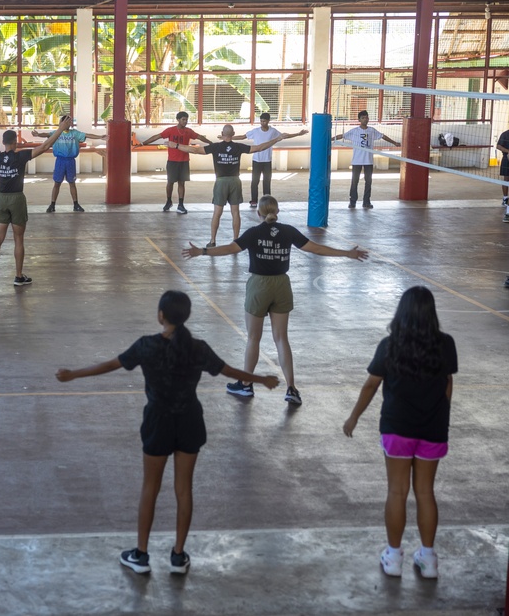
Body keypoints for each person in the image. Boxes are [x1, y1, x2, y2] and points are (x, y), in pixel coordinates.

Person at [55, 290, 279, 575]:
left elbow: (110, 365)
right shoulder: (198, 348)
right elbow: (229, 370)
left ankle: (141, 555)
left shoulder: (147, 346)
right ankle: (178, 556)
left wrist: (73, 373)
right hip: (190, 421)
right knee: (184, 490)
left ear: (161, 315)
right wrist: (262, 379)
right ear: (186, 316)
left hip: (158, 422)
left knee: (150, 489)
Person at [182, 195, 368, 406]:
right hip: (282, 286)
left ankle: (245, 384)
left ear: (258, 213)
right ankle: (291, 389)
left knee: (254, 338)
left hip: (259, 286)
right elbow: (315, 248)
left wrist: (202, 251)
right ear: (276, 212)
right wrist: (346, 254)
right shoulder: (288, 231)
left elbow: (229, 249)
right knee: (281, 338)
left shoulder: (254, 233)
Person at [342, 286, 457, 580]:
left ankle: (393, 557)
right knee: (425, 492)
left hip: (397, 428)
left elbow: (371, 385)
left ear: (401, 313)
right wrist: (441, 416)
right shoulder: (445, 344)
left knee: (397, 491)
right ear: (432, 314)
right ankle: (428, 558)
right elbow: (447, 384)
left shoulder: (389, 345)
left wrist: (353, 417)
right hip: (433, 429)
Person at [0, 116, 70, 287]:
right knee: (18, 239)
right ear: (15, 143)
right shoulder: (21, 157)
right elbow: (45, 146)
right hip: (17, 199)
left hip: (1, 200)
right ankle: (18, 276)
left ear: (3, 143)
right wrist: (60, 129)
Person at [170, 126, 284, 247]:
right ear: (233, 134)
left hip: (221, 182)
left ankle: (213, 241)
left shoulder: (216, 147)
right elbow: (260, 147)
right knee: (235, 213)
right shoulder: (239, 147)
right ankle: (236, 240)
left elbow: (194, 150)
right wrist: (277, 139)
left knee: (217, 213)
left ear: (221, 133)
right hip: (235, 181)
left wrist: (176, 145)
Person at [31, 117, 107, 213]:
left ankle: (76, 205)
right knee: (57, 183)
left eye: (70, 122)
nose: (69, 124)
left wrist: (100, 137)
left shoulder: (74, 133)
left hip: (70, 161)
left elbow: (87, 135)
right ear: (62, 123)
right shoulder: (56, 133)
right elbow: (46, 134)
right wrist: (38, 134)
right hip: (60, 161)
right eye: (66, 122)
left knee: (72, 183)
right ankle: (52, 205)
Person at [140, 112, 211, 213]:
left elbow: (200, 137)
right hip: (172, 161)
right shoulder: (171, 130)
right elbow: (157, 136)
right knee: (170, 182)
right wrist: (143, 143)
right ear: (178, 119)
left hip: (184, 161)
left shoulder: (188, 131)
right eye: (183, 119)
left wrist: (211, 143)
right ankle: (169, 201)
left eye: (186, 119)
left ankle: (181, 205)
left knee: (181, 183)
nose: (185, 121)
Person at [233, 113, 308, 207]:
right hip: (256, 160)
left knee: (267, 181)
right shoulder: (255, 131)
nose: (262, 123)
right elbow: (243, 136)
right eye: (261, 121)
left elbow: (284, 136)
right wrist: (229, 137)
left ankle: (267, 201)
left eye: (264, 121)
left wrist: (298, 134)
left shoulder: (273, 131)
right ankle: (254, 201)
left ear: (268, 121)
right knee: (254, 181)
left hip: (267, 161)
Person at [332, 110, 400, 209]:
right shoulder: (354, 131)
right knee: (354, 181)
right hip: (357, 160)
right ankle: (352, 202)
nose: (365, 119)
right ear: (359, 119)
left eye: (367, 117)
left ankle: (366, 202)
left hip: (368, 160)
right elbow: (341, 136)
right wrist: (329, 138)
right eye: (363, 118)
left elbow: (383, 136)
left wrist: (394, 142)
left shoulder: (371, 131)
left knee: (368, 181)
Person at [495, 126, 509, 222]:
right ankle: (505, 198)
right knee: (506, 179)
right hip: (507, 159)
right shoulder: (505, 134)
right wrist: (508, 151)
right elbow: (498, 146)